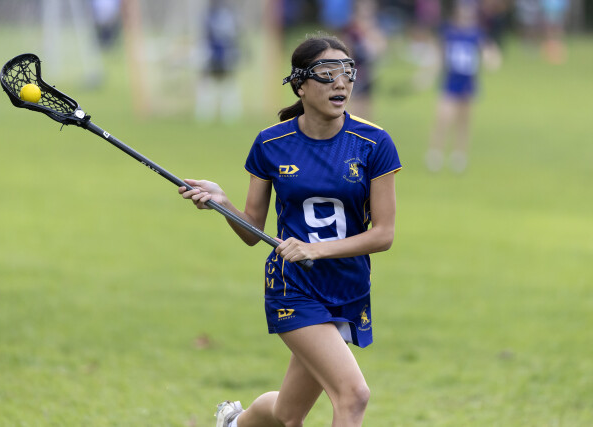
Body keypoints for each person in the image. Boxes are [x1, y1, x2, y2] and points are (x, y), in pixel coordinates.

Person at [179, 34, 402, 427]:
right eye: (327, 73)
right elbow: (252, 231)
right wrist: (222, 202)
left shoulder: (374, 143)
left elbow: (383, 234)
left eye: (348, 72)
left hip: (348, 286)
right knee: (353, 395)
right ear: (300, 84)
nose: (340, 83)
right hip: (292, 286)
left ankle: (235, 422)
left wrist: (316, 249)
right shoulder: (271, 143)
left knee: (288, 415)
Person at [425, 0, 498, 173]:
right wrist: (428, 75)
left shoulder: (477, 34)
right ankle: (435, 154)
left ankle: (459, 156)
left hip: (468, 84)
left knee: (463, 121)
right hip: (450, 82)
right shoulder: (448, 32)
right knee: (443, 119)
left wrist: (491, 59)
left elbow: (489, 52)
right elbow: (439, 56)